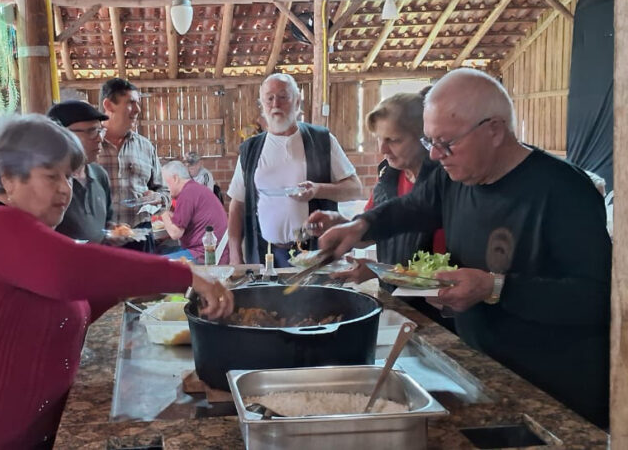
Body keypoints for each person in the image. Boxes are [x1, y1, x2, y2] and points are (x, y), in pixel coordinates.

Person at [0, 114, 233, 449]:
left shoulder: (24, 237)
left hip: (24, 434)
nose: (66, 188)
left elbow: (70, 304)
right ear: (7, 179)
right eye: (52, 176)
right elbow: (72, 271)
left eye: (67, 176)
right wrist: (185, 275)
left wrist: (129, 287)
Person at [313, 68, 610, 428]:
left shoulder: (564, 191)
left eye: (447, 143)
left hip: (553, 390)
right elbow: (413, 207)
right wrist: (360, 225)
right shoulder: (452, 176)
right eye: (429, 142)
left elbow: (597, 298)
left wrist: (494, 287)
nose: (436, 155)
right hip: (479, 370)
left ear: (495, 130)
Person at [326, 90, 452, 331]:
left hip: (441, 314)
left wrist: (380, 272)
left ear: (423, 137)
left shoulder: (446, 181)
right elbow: (371, 232)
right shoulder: (389, 177)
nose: (382, 149)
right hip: (399, 307)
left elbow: (445, 269)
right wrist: (341, 224)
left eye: (393, 140)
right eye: (379, 139)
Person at [227, 73, 362, 266]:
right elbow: (237, 205)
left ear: (297, 102)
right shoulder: (250, 150)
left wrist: (318, 189)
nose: (275, 104)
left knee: (315, 297)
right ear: (262, 105)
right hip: (265, 255)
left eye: (283, 97)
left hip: (314, 254)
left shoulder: (322, 140)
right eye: (269, 98)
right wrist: (235, 255)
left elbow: (355, 189)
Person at [98, 78, 170, 253]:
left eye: (138, 103)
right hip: (100, 241)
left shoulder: (145, 147)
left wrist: (158, 198)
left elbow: (164, 193)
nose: (138, 109)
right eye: (131, 103)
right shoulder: (90, 145)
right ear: (108, 105)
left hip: (141, 239)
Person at [47, 100, 113, 243]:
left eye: (100, 130)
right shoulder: (46, 183)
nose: (100, 138)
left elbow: (107, 224)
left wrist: (114, 233)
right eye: (91, 131)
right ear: (61, 134)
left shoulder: (100, 175)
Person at [160, 160, 229, 263]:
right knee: (160, 250)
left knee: (154, 262)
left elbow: (175, 233)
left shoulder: (187, 194)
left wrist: (161, 209)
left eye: (164, 183)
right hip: (216, 251)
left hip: (204, 255)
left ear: (175, 178)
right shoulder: (194, 189)